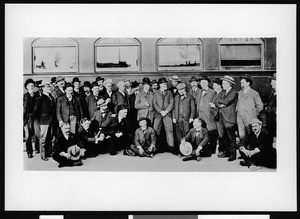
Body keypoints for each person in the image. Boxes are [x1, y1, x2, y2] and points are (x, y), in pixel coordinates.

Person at [216, 75, 238, 161]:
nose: (222, 84)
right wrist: (221, 103)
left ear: (229, 83)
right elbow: (217, 102)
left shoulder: (234, 93)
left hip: (229, 118)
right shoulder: (223, 92)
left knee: (231, 138)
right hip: (222, 117)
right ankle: (227, 153)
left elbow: (227, 101)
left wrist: (221, 102)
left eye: (224, 83)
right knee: (224, 137)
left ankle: (233, 155)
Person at [236, 74, 264, 141]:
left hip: (250, 117)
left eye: (243, 83)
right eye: (241, 83)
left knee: (250, 134)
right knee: (241, 135)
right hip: (240, 117)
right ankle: (243, 149)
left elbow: (260, 106)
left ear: (248, 83)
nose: (241, 84)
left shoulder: (254, 93)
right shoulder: (239, 93)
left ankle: (251, 149)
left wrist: (253, 114)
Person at [33, 80, 56, 161]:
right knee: (43, 139)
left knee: (49, 138)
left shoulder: (51, 97)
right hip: (44, 121)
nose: (49, 88)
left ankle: (48, 152)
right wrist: (40, 120)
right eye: (47, 86)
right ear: (43, 88)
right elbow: (36, 111)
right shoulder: (40, 98)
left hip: (51, 121)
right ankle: (43, 154)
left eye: (49, 86)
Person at [197, 75, 218, 156]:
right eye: (202, 82)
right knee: (203, 133)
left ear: (208, 83)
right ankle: (205, 150)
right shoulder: (199, 92)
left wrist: (212, 113)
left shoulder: (212, 92)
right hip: (201, 116)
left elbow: (215, 103)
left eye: (205, 82)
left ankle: (213, 150)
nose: (203, 84)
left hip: (209, 116)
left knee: (212, 132)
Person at [172, 82, 195, 154]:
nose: (181, 91)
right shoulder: (176, 98)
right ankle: (180, 151)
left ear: (185, 89)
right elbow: (173, 109)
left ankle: (187, 151)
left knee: (186, 134)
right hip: (178, 118)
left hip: (186, 119)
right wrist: (174, 117)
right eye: (179, 90)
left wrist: (191, 117)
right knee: (179, 136)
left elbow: (193, 108)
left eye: (182, 90)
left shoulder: (190, 97)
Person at [153, 77, 174, 153]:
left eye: (166, 84)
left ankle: (171, 147)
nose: (166, 85)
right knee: (155, 130)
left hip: (167, 114)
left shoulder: (169, 92)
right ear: (160, 85)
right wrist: (160, 111)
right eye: (164, 84)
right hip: (158, 114)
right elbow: (154, 103)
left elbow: (172, 103)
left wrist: (167, 111)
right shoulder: (156, 93)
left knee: (169, 130)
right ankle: (155, 147)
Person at [209, 78, 226, 155]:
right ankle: (219, 150)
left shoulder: (223, 94)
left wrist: (214, 106)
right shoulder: (216, 93)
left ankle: (222, 151)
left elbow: (223, 106)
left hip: (220, 117)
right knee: (218, 133)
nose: (213, 86)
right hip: (215, 117)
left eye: (215, 85)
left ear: (219, 86)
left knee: (221, 134)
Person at [23, 78, 38, 158]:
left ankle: (37, 149)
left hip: (35, 117)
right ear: (27, 87)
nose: (31, 87)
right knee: (28, 135)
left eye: (32, 85)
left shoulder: (36, 95)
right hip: (27, 117)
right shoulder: (24, 96)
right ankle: (29, 152)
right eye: (29, 85)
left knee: (37, 133)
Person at [265, 73, 276, 140]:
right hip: (271, 121)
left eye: (272, 82)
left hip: (275, 121)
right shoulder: (273, 92)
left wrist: (269, 110)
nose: (271, 84)